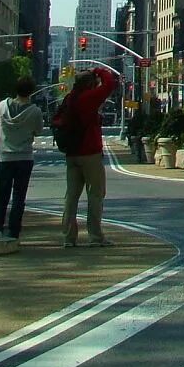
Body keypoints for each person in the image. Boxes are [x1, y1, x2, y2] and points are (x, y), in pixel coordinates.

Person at [54, 66, 118, 248]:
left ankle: (68, 237)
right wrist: (98, 70)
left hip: (71, 154)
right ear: (90, 84)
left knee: (71, 196)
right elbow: (110, 83)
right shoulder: (88, 98)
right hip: (89, 153)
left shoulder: (69, 98)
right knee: (96, 194)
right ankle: (95, 236)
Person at [0, 75, 43, 240]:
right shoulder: (35, 111)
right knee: (19, 197)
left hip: (4, 157)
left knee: (1, 195)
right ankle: (14, 231)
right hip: (24, 157)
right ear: (31, 91)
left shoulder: (2, 106)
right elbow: (38, 131)